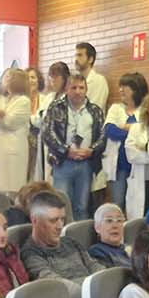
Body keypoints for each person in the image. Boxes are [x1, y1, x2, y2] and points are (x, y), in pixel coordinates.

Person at [41, 72, 104, 220]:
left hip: (86, 164)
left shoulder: (95, 110)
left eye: (81, 88)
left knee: (82, 207)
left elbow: (103, 135)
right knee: (61, 205)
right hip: (63, 163)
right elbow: (47, 134)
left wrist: (92, 150)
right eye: (73, 87)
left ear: (86, 90)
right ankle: (61, 239)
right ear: (67, 89)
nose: (77, 91)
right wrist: (66, 151)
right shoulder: (56, 107)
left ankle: (79, 240)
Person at [19, 189, 106, 283]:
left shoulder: (71, 242)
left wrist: (104, 281)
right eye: (53, 220)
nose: (60, 226)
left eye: (62, 219)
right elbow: (58, 286)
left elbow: (95, 267)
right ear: (35, 220)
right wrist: (95, 287)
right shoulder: (30, 253)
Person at [0, 67, 32, 193]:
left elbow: (10, 122)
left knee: (11, 191)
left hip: (12, 153)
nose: (5, 79)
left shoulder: (23, 101)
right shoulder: (3, 99)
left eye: (9, 77)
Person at [104, 72, 145, 212]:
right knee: (118, 203)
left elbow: (143, 136)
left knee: (136, 205)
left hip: (137, 166)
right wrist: (133, 130)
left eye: (125, 86)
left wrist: (126, 128)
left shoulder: (144, 111)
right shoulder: (116, 108)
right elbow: (110, 131)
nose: (120, 90)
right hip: (119, 166)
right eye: (120, 86)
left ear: (136, 89)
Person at [32, 62, 68, 183]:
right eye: (51, 77)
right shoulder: (49, 97)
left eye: (56, 77)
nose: (53, 80)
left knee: (54, 179)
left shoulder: (68, 98)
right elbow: (38, 118)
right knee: (43, 176)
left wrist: (44, 118)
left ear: (65, 78)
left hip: (59, 144)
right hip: (44, 141)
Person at [88, 202, 134, 269]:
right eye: (109, 221)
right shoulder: (97, 251)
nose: (115, 226)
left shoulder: (128, 249)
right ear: (97, 228)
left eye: (119, 220)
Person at [74, 41, 108, 111]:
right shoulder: (73, 81)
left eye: (80, 55)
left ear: (90, 59)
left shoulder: (99, 81)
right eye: (76, 55)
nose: (76, 59)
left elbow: (95, 108)